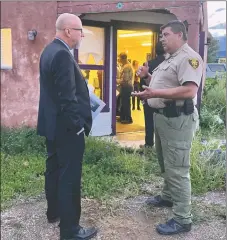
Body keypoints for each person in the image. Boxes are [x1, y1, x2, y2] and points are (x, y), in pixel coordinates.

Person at [133, 20, 203, 235]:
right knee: (166, 161)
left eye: (166, 34)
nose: (161, 38)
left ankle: (183, 219)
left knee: (178, 169)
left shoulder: (189, 58)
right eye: (161, 34)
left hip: (177, 120)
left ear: (180, 35)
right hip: (163, 118)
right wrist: (148, 78)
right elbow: (167, 83)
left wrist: (153, 94)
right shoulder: (171, 59)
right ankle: (169, 196)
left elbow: (189, 91)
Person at [37, 13, 97, 240]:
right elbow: (67, 98)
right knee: (69, 176)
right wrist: (78, 127)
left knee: (53, 170)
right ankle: (70, 230)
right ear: (68, 31)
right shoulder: (62, 54)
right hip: (67, 129)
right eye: (80, 30)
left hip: (52, 126)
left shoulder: (48, 50)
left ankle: (54, 212)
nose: (82, 35)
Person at [140, 42, 165, 148]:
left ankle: (149, 144)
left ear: (155, 51)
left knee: (149, 121)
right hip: (165, 100)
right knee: (164, 122)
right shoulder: (169, 64)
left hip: (149, 98)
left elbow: (142, 83)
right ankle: (163, 145)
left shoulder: (148, 64)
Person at [119, 52, 133, 124]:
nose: (119, 60)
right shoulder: (126, 65)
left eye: (119, 58)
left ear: (123, 58)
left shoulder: (126, 67)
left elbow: (125, 79)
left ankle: (127, 118)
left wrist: (116, 81)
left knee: (126, 103)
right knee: (125, 102)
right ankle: (124, 117)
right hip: (126, 86)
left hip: (126, 86)